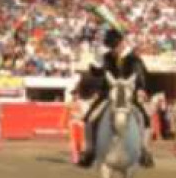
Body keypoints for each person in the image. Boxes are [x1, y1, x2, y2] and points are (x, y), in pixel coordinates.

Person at [77, 28, 154, 168]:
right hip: (108, 93)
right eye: (112, 47)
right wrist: (94, 69)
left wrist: (141, 88)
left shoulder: (134, 59)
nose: (114, 50)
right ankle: (89, 150)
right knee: (89, 117)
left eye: (116, 46)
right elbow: (101, 72)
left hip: (128, 94)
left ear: (122, 43)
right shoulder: (107, 57)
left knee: (145, 118)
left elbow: (141, 75)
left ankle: (144, 149)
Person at [66, 89, 87, 164]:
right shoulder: (69, 103)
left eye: (76, 94)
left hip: (80, 123)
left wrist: (79, 116)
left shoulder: (82, 103)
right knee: (73, 141)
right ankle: (75, 158)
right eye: (73, 94)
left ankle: (80, 157)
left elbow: (84, 114)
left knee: (81, 141)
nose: (75, 96)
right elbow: (67, 114)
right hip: (72, 123)